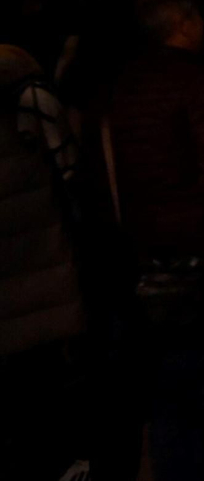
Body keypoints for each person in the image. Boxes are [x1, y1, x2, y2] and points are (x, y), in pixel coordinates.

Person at [108, 0, 204, 480]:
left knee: (154, 388)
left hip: (131, 248)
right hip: (194, 252)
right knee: (196, 386)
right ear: (185, 25)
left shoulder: (119, 81)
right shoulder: (196, 81)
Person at [1, 44, 92, 480]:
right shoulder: (29, 95)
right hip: (39, 273)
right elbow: (68, 169)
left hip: (26, 276)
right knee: (38, 398)